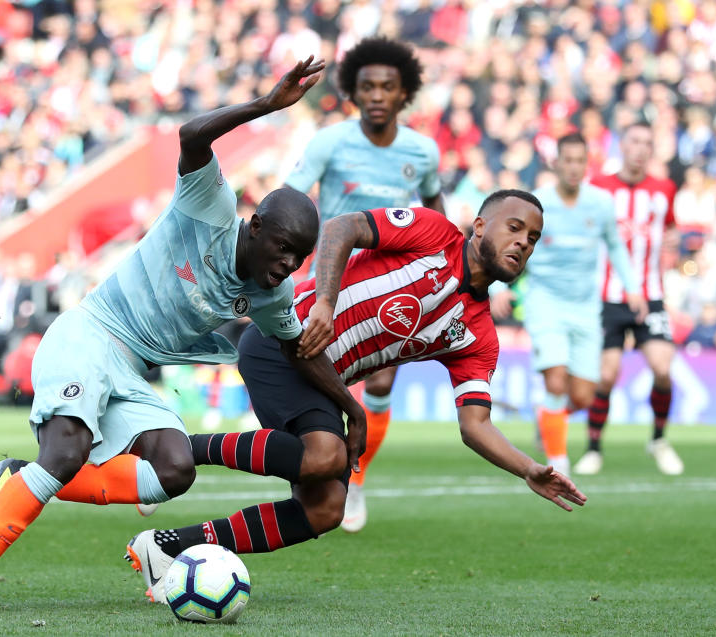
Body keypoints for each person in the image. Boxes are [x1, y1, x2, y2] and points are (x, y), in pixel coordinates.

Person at [0, 56, 366, 617]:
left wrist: (352, 407)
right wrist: (263, 107)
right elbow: (189, 135)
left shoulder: (272, 293)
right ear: (255, 226)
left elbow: (301, 349)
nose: (287, 264)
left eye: (298, 257)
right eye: (281, 248)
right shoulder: (209, 207)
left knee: (174, 470)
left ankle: (21, 478)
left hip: (129, 369)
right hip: (89, 334)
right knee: (66, 451)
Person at [126, 191, 587, 604]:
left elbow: (475, 425)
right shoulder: (432, 232)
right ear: (480, 226)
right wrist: (324, 300)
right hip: (280, 341)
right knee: (326, 455)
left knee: (325, 509)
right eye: (515, 227)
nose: (524, 242)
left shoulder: (480, 335)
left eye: (533, 237)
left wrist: (530, 469)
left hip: (321, 377)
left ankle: (166, 545)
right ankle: (173, 448)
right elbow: (343, 226)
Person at [285, 36, 445, 532]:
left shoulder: (422, 152)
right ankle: (305, 466)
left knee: (380, 380)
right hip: (327, 283)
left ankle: (355, 479)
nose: (377, 95)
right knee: (306, 380)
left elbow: (436, 215)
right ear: (354, 92)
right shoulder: (330, 141)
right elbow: (289, 197)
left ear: (404, 94)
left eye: (388, 87)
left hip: (389, 286)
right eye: (368, 86)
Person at [491, 134, 645, 476]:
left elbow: (616, 246)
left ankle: (547, 416)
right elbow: (513, 242)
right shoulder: (538, 204)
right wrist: (501, 284)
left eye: (580, 161)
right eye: (568, 160)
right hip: (545, 301)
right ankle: (558, 464)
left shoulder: (601, 203)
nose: (574, 167)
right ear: (556, 163)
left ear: (586, 164)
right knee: (556, 382)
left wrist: (633, 288)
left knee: (584, 396)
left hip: (585, 307)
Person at [575, 121, 683, 475]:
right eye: (635, 141)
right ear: (622, 144)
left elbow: (669, 229)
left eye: (647, 143)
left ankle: (658, 439)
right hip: (607, 298)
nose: (640, 149)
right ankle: (593, 449)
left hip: (650, 296)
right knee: (605, 377)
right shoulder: (599, 187)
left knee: (663, 369)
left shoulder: (664, 188)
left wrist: (673, 246)